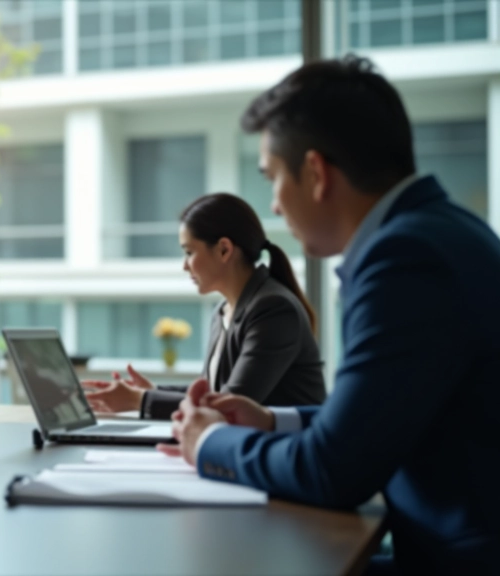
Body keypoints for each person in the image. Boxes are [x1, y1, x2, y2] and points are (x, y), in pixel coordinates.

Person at [162, 55, 500, 573]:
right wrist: (270, 420)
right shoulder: (443, 232)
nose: (274, 206)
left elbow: (335, 469)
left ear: (317, 173)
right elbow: (376, 415)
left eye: (273, 177)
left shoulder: (405, 261)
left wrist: (208, 442)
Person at [84, 193, 325, 419]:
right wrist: (153, 390)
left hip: (285, 452)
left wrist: (140, 400)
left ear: (224, 249)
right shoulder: (222, 311)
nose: (184, 266)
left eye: (189, 252)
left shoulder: (273, 309)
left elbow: (230, 403)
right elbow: (213, 391)